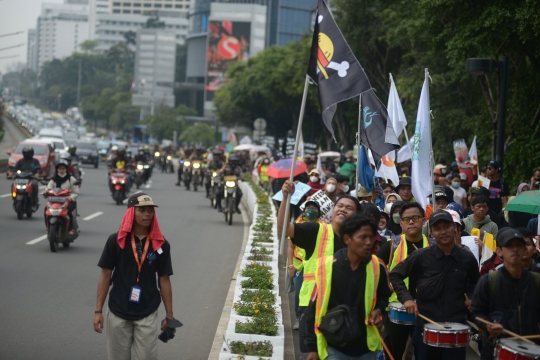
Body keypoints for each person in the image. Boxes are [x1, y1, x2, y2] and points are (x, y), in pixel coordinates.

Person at [278, 180, 360, 357]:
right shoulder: (317, 230)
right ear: (333, 209)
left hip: (344, 311)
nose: (343, 209)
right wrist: (285, 198)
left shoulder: (361, 241)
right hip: (312, 309)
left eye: (349, 207)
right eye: (340, 206)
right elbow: (284, 228)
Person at [93, 193, 175, 360]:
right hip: (118, 310)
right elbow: (105, 275)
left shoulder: (160, 244)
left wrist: (169, 315)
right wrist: (98, 311)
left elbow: (164, 280)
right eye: (142, 210)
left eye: (150, 210)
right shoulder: (115, 241)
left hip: (147, 311)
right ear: (131, 212)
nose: (147, 214)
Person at [390, 211, 479, 360]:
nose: (443, 232)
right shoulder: (421, 256)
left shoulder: (467, 258)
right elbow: (395, 274)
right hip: (425, 325)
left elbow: (476, 282)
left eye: (447, 226)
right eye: (437, 228)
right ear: (431, 232)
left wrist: (471, 297)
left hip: (455, 328)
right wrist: (406, 298)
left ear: (455, 228)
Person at [304, 214, 392, 360]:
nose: (368, 242)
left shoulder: (378, 266)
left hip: (366, 349)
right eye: (362, 237)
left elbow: (384, 295)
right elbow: (313, 309)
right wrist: (312, 348)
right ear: (347, 239)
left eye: (371, 237)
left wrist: (378, 309)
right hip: (332, 346)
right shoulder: (327, 266)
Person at [471, 228, 540, 360]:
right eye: (509, 245)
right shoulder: (488, 281)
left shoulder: (536, 281)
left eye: (519, 245)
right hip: (495, 351)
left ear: (525, 250)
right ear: (499, 251)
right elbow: (475, 313)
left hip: (529, 351)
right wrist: (488, 325)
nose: (514, 249)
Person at [377, 202, 433, 360]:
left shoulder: (434, 246)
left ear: (423, 220)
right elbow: (375, 273)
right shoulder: (391, 246)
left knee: (424, 354)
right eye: (407, 219)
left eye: (415, 218)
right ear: (400, 223)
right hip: (396, 311)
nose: (411, 222)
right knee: (393, 354)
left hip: (426, 311)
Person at [287, 200, 322, 331]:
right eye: (308, 208)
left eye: (314, 208)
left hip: (315, 266)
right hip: (298, 266)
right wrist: (291, 265)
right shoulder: (297, 226)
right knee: (299, 293)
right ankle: (298, 318)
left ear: (318, 211)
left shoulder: (324, 227)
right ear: (304, 211)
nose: (311, 210)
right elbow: (290, 247)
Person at [44, 160, 79, 236]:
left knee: (69, 210)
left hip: (68, 201)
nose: (61, 170)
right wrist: (45, 192)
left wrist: (70, 198)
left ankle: (70, 228)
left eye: (63, 168)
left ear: (66, 169)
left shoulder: (71, 179)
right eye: (60, 169)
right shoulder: (53, 180)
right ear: (57, 169)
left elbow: (76, 192)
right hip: (55, 201)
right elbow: (48, 189)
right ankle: (48, 227)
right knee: (46, 210)